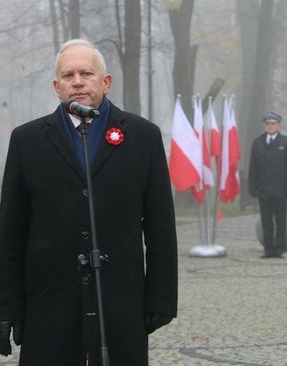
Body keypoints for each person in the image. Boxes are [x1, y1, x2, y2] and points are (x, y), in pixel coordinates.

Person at [0, 39, 178, 365]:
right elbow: (10, 233)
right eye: (68, 75)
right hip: (49, 303)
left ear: (105, 82)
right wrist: (7, 306)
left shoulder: (143, 137)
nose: (77, 82)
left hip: (119, 301)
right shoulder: (26, 142)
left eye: (86, 73)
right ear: (57, 86)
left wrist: (162, 297)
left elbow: (160, 227)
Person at [248, 112, 287, 258]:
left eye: (273, 124)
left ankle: (279, 249)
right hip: (263, 189)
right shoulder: (258, 143)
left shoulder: (286, 143)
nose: (270, 126)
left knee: (281, 221)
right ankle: (268, 249)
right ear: (265, 126)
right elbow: (253, 167)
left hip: (280, 189)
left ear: (278, 125)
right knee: (266, 221)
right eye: (268, 124)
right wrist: (252, 186)